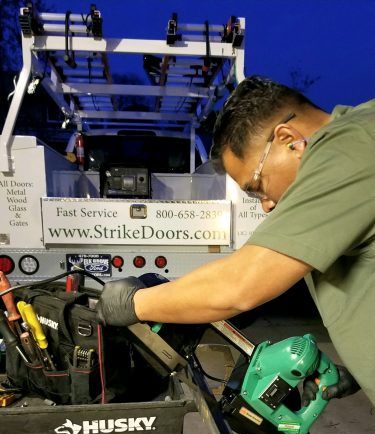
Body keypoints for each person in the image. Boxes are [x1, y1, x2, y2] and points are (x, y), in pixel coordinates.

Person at [97, 76, 375, 406]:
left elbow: (241, 284)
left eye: (256, 186)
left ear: (289, 140)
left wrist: (134, 304)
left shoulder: (351, 144)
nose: (266, 204)